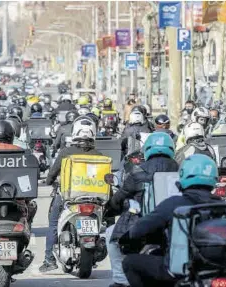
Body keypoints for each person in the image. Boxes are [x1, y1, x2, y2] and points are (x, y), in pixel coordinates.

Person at [121, 154, 224, 287]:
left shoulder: (174, 203)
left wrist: (125, 237)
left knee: (130, 262)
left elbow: (140, 229)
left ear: (183, 175)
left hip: (183, 269)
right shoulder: (225, 207)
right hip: (221, 268)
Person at [105, 132, 179, 287]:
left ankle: (121, 280)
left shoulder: (137, 172)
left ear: (148, 149)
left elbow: (119, 199)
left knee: (111, 235)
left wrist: (111, 209)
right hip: (175, 225)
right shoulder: (180, 170)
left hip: (141, 226)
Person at [39, 117, 101, 273]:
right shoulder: (99, 154)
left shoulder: (66, 152)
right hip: (94, 198)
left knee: (53, 223)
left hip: (69, 197)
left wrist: (49, 181)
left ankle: (49, 260)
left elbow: (52, 174)